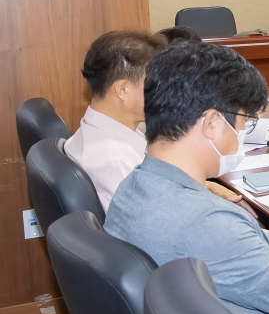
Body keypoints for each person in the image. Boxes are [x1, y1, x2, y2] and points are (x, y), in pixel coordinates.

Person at [104, 41, 269, 314]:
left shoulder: (135, 186)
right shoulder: (206, 221)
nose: (242, 132)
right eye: (244, 121)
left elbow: (247, 247)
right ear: (212, 123)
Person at [65, 30, 246, 209]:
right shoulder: (118, 164)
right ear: (123, 90)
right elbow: (165, 219)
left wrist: (205, 186)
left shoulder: (100, 132)